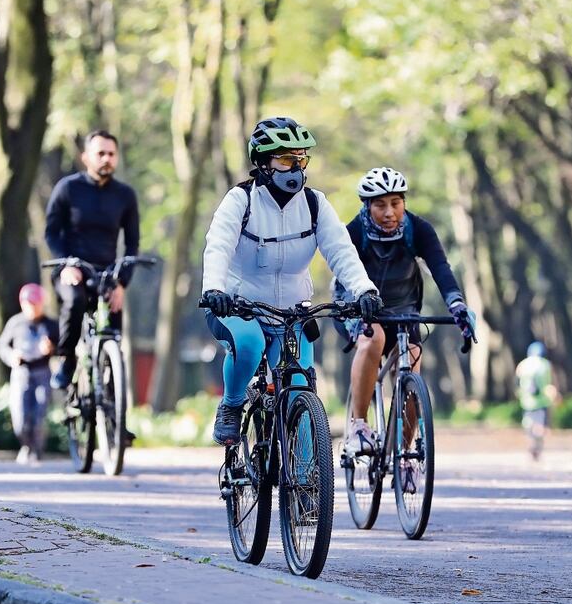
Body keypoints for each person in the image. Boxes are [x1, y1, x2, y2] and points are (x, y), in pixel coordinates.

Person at [200, 117, 382, 447]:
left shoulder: (315, 204)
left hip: (292, 312)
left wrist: (364, 289)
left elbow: (340, 250)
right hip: (240, 306)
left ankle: (307, 481)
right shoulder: (240, 201)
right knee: (251, 344)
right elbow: (219, 245)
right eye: (286, 159)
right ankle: (232, 404)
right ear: (263, 164)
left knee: (300, 386)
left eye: (300, 159)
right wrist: (214, 289)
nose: (295, 168)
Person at [334, 167, 475, 455]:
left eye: (396, 203)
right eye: (380, 205)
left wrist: (457, 305)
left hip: (404, 310)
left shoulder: (418, 229)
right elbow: (344, 274)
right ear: (367, 205)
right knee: (372, 339)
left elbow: (441, 269)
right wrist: (360, 304)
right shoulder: (354, 232)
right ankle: (358, 426)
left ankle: (406, 454)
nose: (389, 213)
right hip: (359, 306)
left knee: (411, 368)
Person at [44, 130, 140, 390]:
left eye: (111, 154)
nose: (106, 159)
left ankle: (115, 414)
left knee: (114, 332)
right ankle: (66, 361)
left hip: (107, 274)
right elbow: (51, 233)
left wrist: (122, 283)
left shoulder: (125, 196)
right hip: (71, 270)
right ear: (86, 157)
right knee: (74, 301)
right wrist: (65, 263)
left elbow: (132, 244)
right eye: (101, 153)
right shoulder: (67, 189)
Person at [0, 284, 59, 464]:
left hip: (43, 373)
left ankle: (37, 450)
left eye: (35, 303)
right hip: (20, 373)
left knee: (39, 414)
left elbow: (63, 348)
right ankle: (26, 445)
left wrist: (51, 349)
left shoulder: (51, 325)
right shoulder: (15, 323)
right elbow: (2, 345)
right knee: (20, 417)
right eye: (27, 304)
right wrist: (11, 356)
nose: (31, 308)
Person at [515, 341, 560, 460]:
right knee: (541, 425)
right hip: (542, 400)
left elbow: (517, 381)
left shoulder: (522, 365)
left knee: (529, 424)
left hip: (526, 401)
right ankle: (537, 446)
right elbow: (552, 381)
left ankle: (531, 443)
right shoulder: (545, 364)